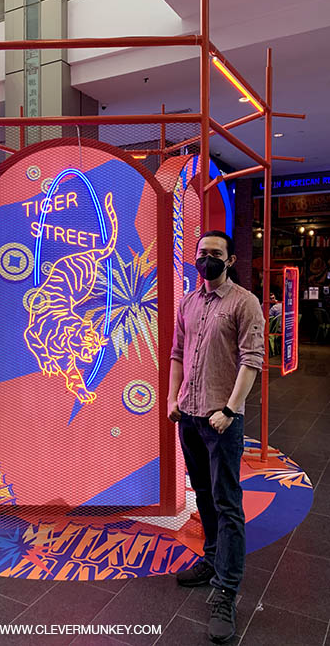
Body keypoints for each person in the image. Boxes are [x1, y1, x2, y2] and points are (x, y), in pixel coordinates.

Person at [167, 230, 265, 644]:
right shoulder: (188, 302)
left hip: (221, 421)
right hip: (188, 417)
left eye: (215, 253)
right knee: (204, 496)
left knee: (227, 503)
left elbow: (252, 361)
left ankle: (226, 590)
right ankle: (211, 559)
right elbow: (177, 354)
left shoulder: (245, 302)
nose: (207, 259)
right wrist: (172, 398)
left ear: (230, 260)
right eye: (202, 253)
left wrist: (230, 409)